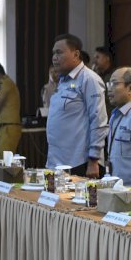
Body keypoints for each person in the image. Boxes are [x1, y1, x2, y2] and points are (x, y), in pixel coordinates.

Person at [47, 34, 109, 178]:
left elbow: (99, 121)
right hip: (58, 161)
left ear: (75, 54)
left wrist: (94, 160)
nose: (54, 58)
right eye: (53, 53)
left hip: (81, 163)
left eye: (59, 52)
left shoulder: (89, 79)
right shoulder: (63, 80)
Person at [94, 46, 116, 116]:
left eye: (97, 57)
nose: (95, 61)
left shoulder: (114, 75)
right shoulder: (97, 75)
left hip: (111, 115)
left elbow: (112, 97)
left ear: (107, 58)